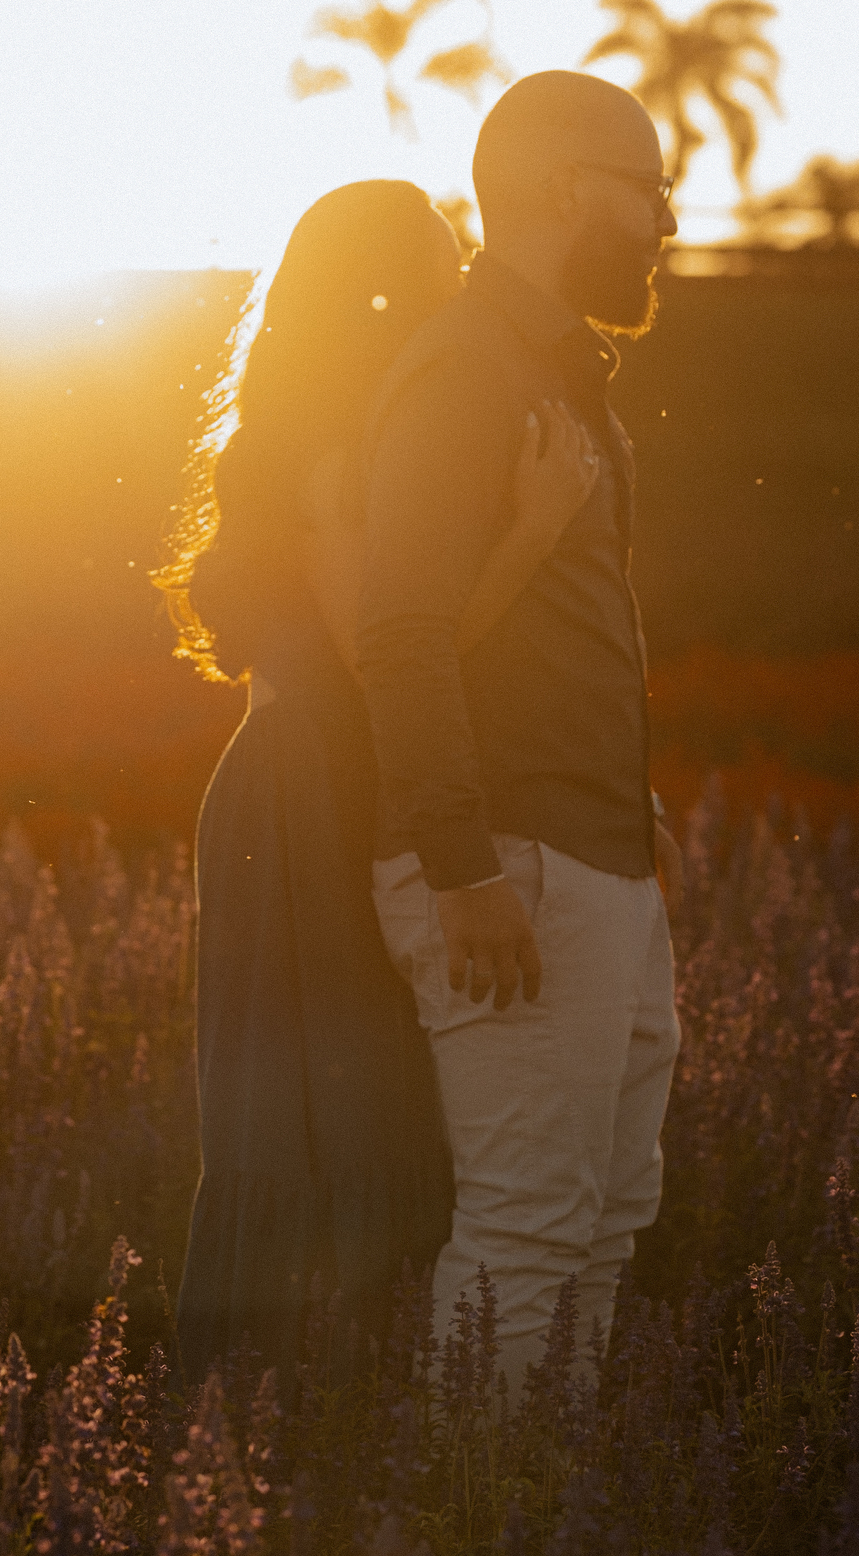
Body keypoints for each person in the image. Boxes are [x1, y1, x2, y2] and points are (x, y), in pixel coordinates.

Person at [157, 179, 605, 1388]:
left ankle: (308, 1421)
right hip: (310, 789)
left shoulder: (314, 434)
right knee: (321, 1115)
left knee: (338, 1108)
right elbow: (387, 659)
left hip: (307, 780)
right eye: (441, 270)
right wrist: (534, 532)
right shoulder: (338, 449)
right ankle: (286, 1427)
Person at [359, 73, 686, 1405]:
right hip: (515, 864)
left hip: (590, 849)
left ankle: (546, 1539)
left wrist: (631, 815)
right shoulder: (461, 371)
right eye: (649, 187)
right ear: (563, 189)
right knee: (527, 1234)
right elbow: (399, 632)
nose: (666, 219)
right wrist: (463, 866)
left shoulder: (549, 370)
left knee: (604, 1227)